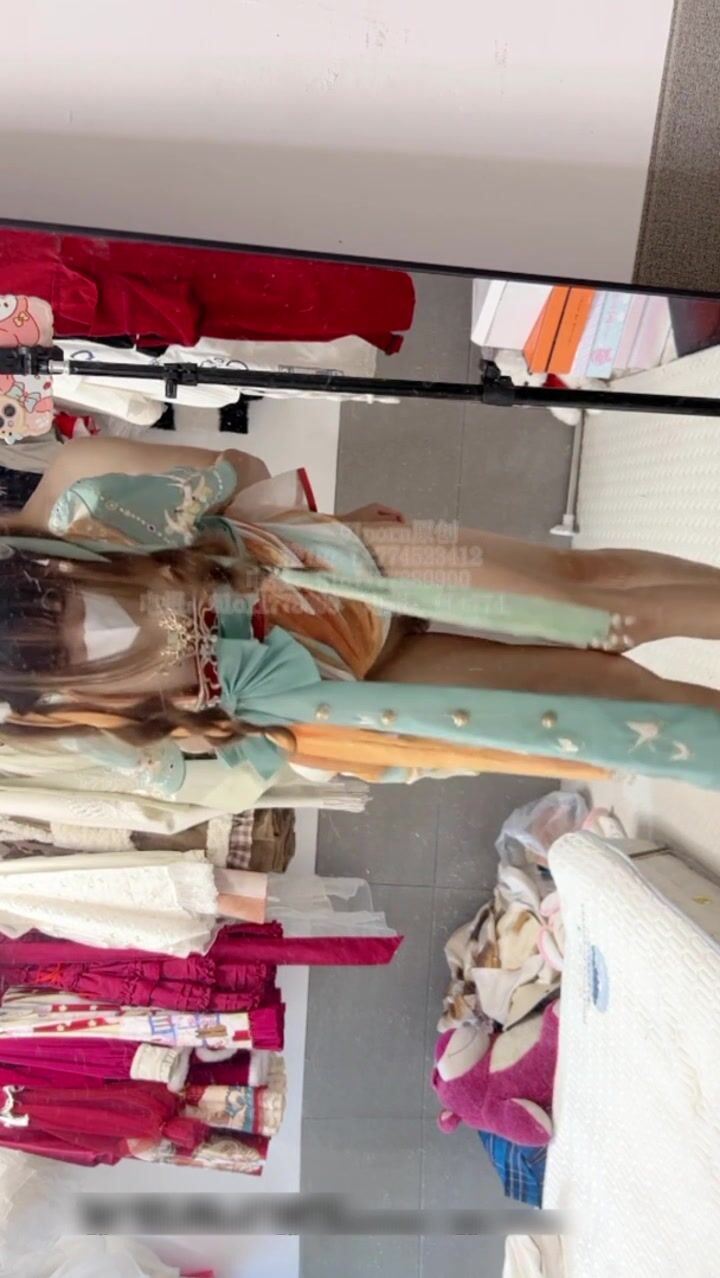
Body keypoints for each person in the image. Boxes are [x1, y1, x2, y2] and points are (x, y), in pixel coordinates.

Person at [1, 434, 720, 795]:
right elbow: (185, 761)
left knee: (597, 607)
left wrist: (335, 521)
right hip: (332, 689)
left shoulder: (80, 487)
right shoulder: (34, 702)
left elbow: (243, 473)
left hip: (339, 568)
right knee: (602, 702)